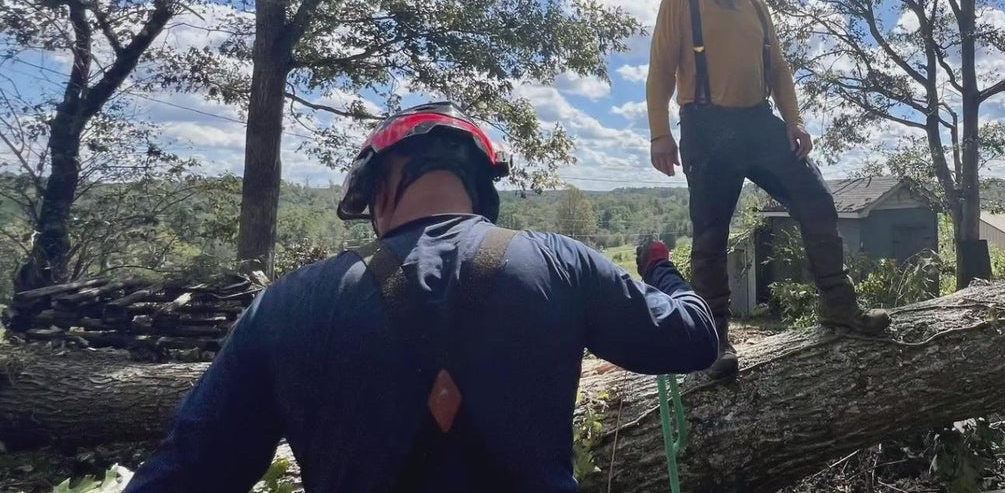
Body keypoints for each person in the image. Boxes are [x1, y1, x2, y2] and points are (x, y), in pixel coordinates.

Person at [124, 101, 719, 493]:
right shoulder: (558, 261)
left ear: (378, 188)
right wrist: (664, 272)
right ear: (483, 188)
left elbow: (188, 473)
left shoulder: (287, 304)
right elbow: (693, 340)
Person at [646, 0, 891, 381]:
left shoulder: (756, 4)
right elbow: (659, 74)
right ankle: (713, 340)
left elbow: (778, 67)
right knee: (711, 235)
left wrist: (794, 121)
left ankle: (838, 306)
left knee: (817, 201)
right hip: (705, 127)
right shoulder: (682, 2)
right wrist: (659, 133)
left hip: (760, 123)